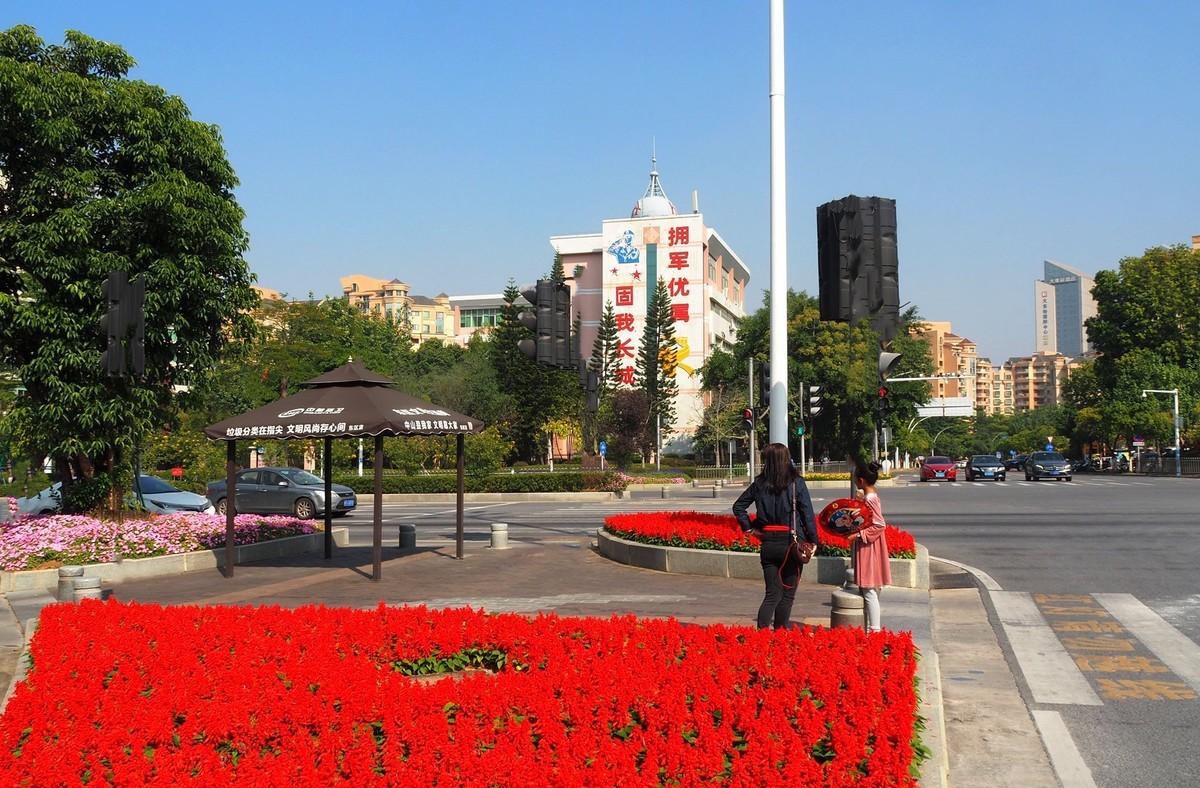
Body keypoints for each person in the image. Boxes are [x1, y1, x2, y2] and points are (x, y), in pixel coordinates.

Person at [733, 443, 819, 630]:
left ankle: (762, 632)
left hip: (768, 543)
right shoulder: (797, 482)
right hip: (791, 542)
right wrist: (813, 540)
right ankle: (780, 633)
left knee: (771, 594)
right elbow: (807, 514)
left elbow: (738, 507)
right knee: (787, 594)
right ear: (786, 459)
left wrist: (750, 529)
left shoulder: (759, 483)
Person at [849, 460, 891, 633]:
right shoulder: (871, 496)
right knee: (870, 588)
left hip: (869, 546)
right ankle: (872, 629)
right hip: (870, 544)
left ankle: (874, 631)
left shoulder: (870, 498)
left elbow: (879, 524)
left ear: (861, 480)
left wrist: (858, 535)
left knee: (868, 589)